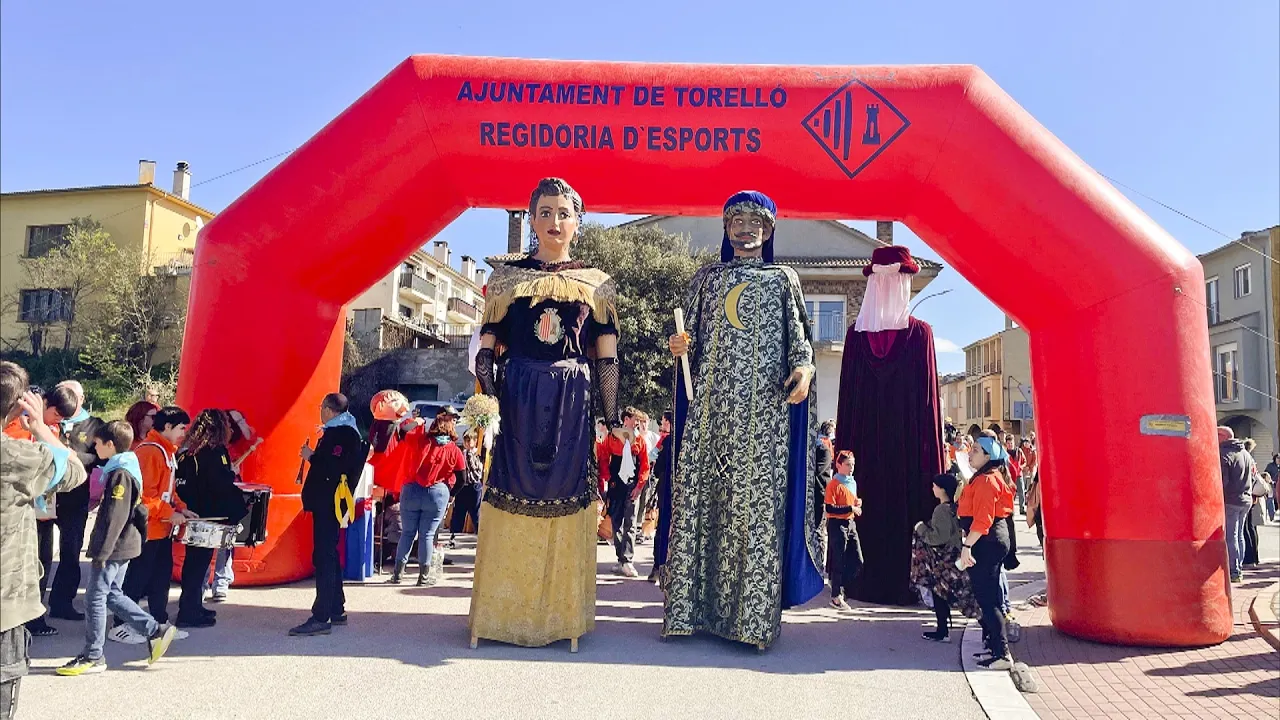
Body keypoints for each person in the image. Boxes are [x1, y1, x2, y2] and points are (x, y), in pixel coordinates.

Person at [665, 190, 823, 649]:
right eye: (738, 220)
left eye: (757, 220)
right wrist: (678, 347)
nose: (747, 227)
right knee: (704, 507)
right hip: (711, 417)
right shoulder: (706, 280)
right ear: (727, 229)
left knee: (756, 516)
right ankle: (691, 612)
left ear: (769, 230)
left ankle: (751, 623)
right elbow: (685, 341)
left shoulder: (783, 280)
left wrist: (804, 370)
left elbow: (802, 344)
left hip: (763, 424)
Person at [469, 177, 620, 651]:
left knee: (565, 495)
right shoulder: (507, 281)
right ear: (531, 219)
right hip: (518, 396)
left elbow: (606, 356)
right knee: (508, 492)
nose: (555, 221)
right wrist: (488, 397)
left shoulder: (597, 283)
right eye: (546, 212)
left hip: (571, 402)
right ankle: (501, 615)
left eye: (564, 213)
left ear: (577, 222)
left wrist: (611, 415)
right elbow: (487, 346)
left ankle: (559, 617)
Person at [832, 245, 945, 605]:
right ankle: (913, 583)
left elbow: (846, 407)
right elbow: (928, 409)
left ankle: (856, 580)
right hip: (908, 456)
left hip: (862, 459)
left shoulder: (855, 337)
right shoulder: (920, 336)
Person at [55, 421, 178, 676]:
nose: (94, 448)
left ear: (110, 445)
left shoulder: (120, 473)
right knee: (111, 594)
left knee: (95, 598)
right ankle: (156, 630)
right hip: (125, 544)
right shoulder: (125, 465)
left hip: (115, 546)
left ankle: (93, 655)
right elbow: (138, 510)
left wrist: (101, 552)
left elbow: (115, 516)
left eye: (98, 443)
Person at [0, 362, 87, 715]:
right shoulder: (18, 456)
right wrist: (39, 427)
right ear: (17, 406)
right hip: (5, 606)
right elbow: (75, 471)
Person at [290, 393, 365, 637]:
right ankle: (336, 607)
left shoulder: (341, 433)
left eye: (322, 407)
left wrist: (311, 456)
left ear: (329, 410)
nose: (320, 411)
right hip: (330, 501)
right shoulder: (344, 430)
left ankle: (321, 615)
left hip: (329, 501)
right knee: (328, 554)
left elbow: (332, 467)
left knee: (324, 557)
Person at [116, 407, 191, 642]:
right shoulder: (150, 452)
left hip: (162, 529)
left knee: (160, 578)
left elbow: (168, 490)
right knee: (137, 579)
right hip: (147, 528)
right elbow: (145, 496)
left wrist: (181, 508)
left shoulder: (166, 451)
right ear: (167, 427)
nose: (183, 433)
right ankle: (121, 625)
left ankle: (159, 621)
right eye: (181, 428)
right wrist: (171, 512)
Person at [174, 410, 248, 629]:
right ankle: (189, 611)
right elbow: (221, 481)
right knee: (200, 563)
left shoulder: (187, 451)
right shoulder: (215, 451)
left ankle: (192, 606)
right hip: (209, 513)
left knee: (193, 563)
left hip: (191, 510)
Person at [47, 382, 105, 622]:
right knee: (40, 552)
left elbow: (99, 457)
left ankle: (62, 602)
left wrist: (70, 456)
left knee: (71, 552)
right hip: (46, 496)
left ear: (82, 398)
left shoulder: (95, 425)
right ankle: (34, 607)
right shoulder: (50, 419)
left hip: (75, 497)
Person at [957, 436, 1015, 669]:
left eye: (977, 450)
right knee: (987, 596)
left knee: (988, 598)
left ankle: (1002, 654)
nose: (970, 453)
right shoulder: (983, 478)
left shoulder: (987, 481)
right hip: (989, 540)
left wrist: (967, 546)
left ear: (988, 457)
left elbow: (983, 520)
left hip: (987, 541)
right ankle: (994, 648)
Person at [389, 407, 465, 586]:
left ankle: (397, 575)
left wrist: (417, 421)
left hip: (411, 491)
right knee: (427, 535)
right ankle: (423, 577)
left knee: (407, 533)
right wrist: (450, 495)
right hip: (437, 494)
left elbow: (400, 431)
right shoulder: (454, 450)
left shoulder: (419, 440)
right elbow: (463, 478)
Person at [912, 473, 978, 642]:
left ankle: (944, 630)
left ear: (941, 490)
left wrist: (921, 528)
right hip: (953, 556)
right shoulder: (953, 508)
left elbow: (937, 538)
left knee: (948, 594)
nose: (932, 489)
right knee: (945, 594)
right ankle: (943, 629)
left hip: (943, 560)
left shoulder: (941, 510)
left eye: (934, 486)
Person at [599, 408, 651, 577]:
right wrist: (607, 477)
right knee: (615, 521)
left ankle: (627, 560)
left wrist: (639, 486)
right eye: (634, 420)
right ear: (626, 420)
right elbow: (604, 456)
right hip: (616, 484)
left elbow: (644, 465)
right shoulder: (612, 438)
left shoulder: (639, 441)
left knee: (630, 521)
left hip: (632, 485)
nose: (636, 423)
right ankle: (621, 558)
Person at [824, 451, 863, 612]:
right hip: (837, 524)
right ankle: (836, 596)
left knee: (858, 559)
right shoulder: (833, 484)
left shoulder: (852, 482)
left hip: (850, 522)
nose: (851, 468)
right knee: (839, 559)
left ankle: (839, 586)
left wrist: (856, 503)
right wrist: (850, 507)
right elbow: (829, 507)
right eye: (847, 464)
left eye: (852, 464)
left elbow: (852, 500)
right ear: (839, 465)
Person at [1218, 426, 1254, 584]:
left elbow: (1222, 482)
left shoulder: (1225, 454)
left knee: (1231, 536)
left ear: (1222, 437)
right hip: (1245, 499)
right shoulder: (1245, 453)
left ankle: (1234, 570)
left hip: (1231, 500)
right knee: (1239, 535)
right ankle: (1238, 568)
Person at [649, 410, 675, 584]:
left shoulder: (665, 442)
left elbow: (656, 467)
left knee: (663, 526)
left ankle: (658, 567)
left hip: (666, 489)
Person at [448, 430, 484, 548]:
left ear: (475, 441)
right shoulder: (462, 453)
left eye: (470, 440)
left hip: (474, 486)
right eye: (466, 440)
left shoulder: (478, 454)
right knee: (459, 512)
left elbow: (478, 471)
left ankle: (479, 538)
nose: (468, 443)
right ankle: (453, 537)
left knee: (475, 513)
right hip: (463, 486)